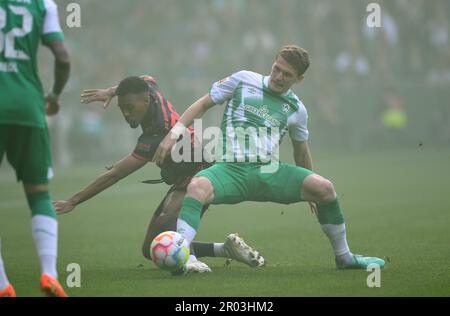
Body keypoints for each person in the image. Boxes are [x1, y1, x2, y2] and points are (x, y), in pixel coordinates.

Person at [153, 45, 385, 271]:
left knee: (325, 188)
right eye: (277, 68)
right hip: (229, 171)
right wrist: (173, 135)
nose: (278, 76)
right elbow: (203, 104)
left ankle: (344, 258)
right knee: (197, 187)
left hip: (267, 172)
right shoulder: (243, 79)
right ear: (272, 63)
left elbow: (301, 151)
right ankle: (186, 257)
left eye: (287, 74)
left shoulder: (297, 109)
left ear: (299, 79)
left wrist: (311, 190)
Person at [53, 75, 265, 274]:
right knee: (150, 248)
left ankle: (190, 261)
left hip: (201, 173)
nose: (126, 113)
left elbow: (114, 175)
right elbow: (147, 77)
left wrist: (74, 200)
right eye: (122, 108)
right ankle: (224, 250)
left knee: (167, 221)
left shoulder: (156, 135)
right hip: (185, 174)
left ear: (146, 101)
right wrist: (112, 90)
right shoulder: (151, 91)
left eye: (130, 108)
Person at [0, 0, 70, 297]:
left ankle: (3, 285)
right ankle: (49, 273)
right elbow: (63, 58)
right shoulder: (43, 4)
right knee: (40, 195)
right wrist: (53, 95)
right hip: (29, 107)